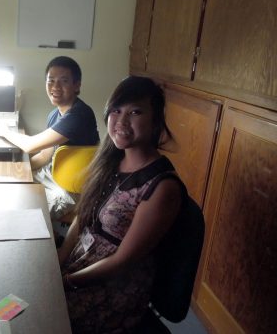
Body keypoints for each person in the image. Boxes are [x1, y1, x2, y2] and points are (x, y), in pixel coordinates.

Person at [57, 76, 186, 333]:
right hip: (81, 267)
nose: (122, 121)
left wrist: (67, 282)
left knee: (41, 316)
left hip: (114, 286)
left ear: (155, 121)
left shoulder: (162, 187)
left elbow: (123, 261)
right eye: (116, 111)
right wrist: (59, 261)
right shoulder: (111, 161)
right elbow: (83, 217)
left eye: (135, 112)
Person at [0, 56, 99, 220]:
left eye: (64, 81)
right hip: (53, 174)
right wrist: (21, 172)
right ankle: (55, 236)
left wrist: (5, 131)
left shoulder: (79, 115)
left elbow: (30, 145)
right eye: (50, 81)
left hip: (71, 188)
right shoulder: (55, 114)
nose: (55, 87)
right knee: (12, 191)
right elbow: (45, 155)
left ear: (76, 85)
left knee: (25, 214)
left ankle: (50, 239)